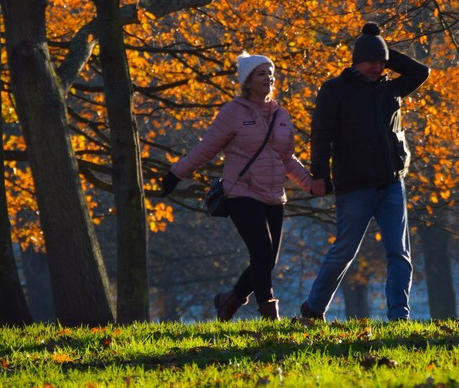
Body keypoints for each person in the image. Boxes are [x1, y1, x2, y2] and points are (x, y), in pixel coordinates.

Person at [161, 52, 323, 321]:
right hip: (242, 193)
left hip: (274, 195)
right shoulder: (232, 113)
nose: (268, 78)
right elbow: (206, 149)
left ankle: (230, 300)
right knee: (260, 252)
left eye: (270, 73)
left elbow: (287, 158)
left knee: (268, 260)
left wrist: (310, 184)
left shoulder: (281, 115)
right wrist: (175, 174)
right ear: (247, 81)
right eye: (261, 73)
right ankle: (270, 315)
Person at [298, 22, 430, 322]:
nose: (377, 67)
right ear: (356, 60)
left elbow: (421, 72)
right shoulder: (334, 90)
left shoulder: (391, 87)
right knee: (343, 251)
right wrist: (318, 174)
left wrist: (380, 45)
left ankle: (399, 315)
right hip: (354, 186)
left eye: (381, 62)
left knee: (399, 252)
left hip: (391, 183)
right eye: (371, 61)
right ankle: (313, 309)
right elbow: (321, 134)